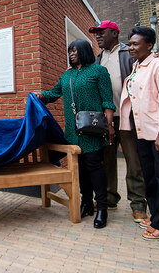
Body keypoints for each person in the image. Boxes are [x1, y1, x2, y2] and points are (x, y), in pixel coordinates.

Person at [37, 39, 115, 229]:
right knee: (79, 168)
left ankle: (102, 208)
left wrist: (110, 125)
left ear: (85, 51)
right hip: (73, 130)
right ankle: (86, 203)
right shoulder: (67, 76)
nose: (72, 54)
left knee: (94, 166)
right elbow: (53, 93)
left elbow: (107, 101)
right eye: (70, 51)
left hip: (93, 129)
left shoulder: (99, 71)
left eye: (75, 50)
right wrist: (40, 96)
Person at [120, 26, 159, 241]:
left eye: (135, 44)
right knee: (151, 178)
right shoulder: (137, 66)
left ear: (149, 45)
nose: (131, 48)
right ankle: (157, 216)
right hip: (143, 134)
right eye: (129, 44)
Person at [89, 21, 147, 224]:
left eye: (101, 32)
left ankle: (138, 204)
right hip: (106, 118)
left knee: (134, 161)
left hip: (128, 116)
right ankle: (110, 198)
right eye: (95, 34)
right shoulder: (98, 58)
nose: (98, 36)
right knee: (107, 161)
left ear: (114, 33)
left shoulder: (127, 52)